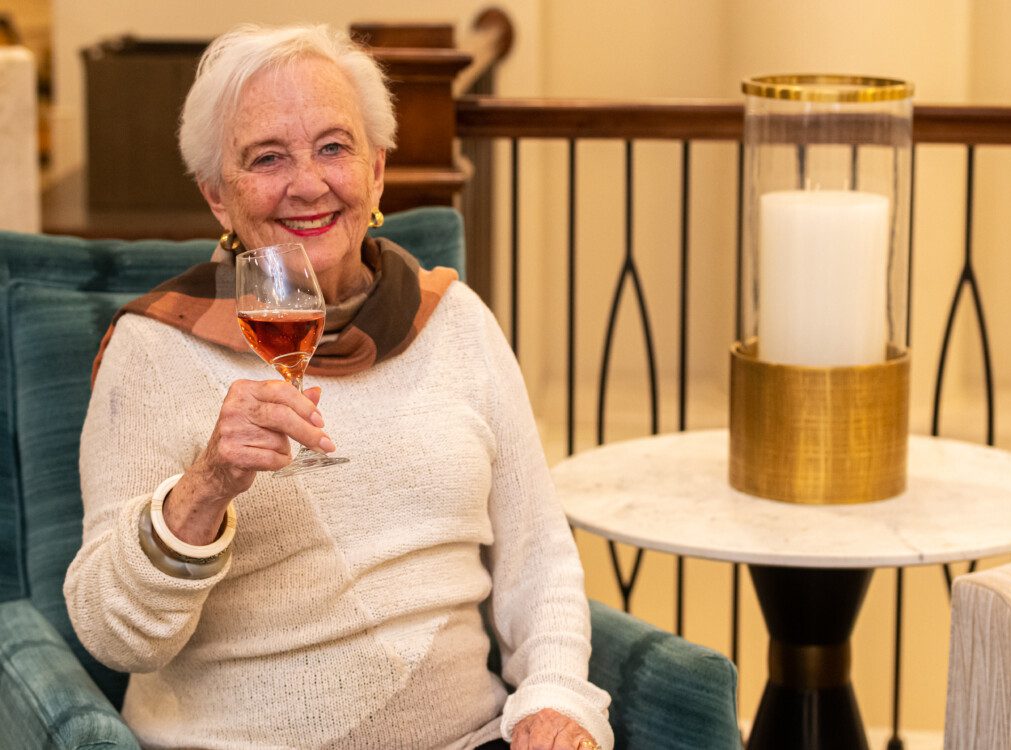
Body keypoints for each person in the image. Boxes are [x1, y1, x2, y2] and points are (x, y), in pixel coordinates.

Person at [63, 22, 612, 750]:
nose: (308, 183)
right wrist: (207, 486)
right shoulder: (156, 347)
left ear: (377, 172)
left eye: (333, 147)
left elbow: (538, 557)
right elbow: (111, 634)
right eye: (266, 158)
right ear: (219, 199)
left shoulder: (454, 322)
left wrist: (554, 698)